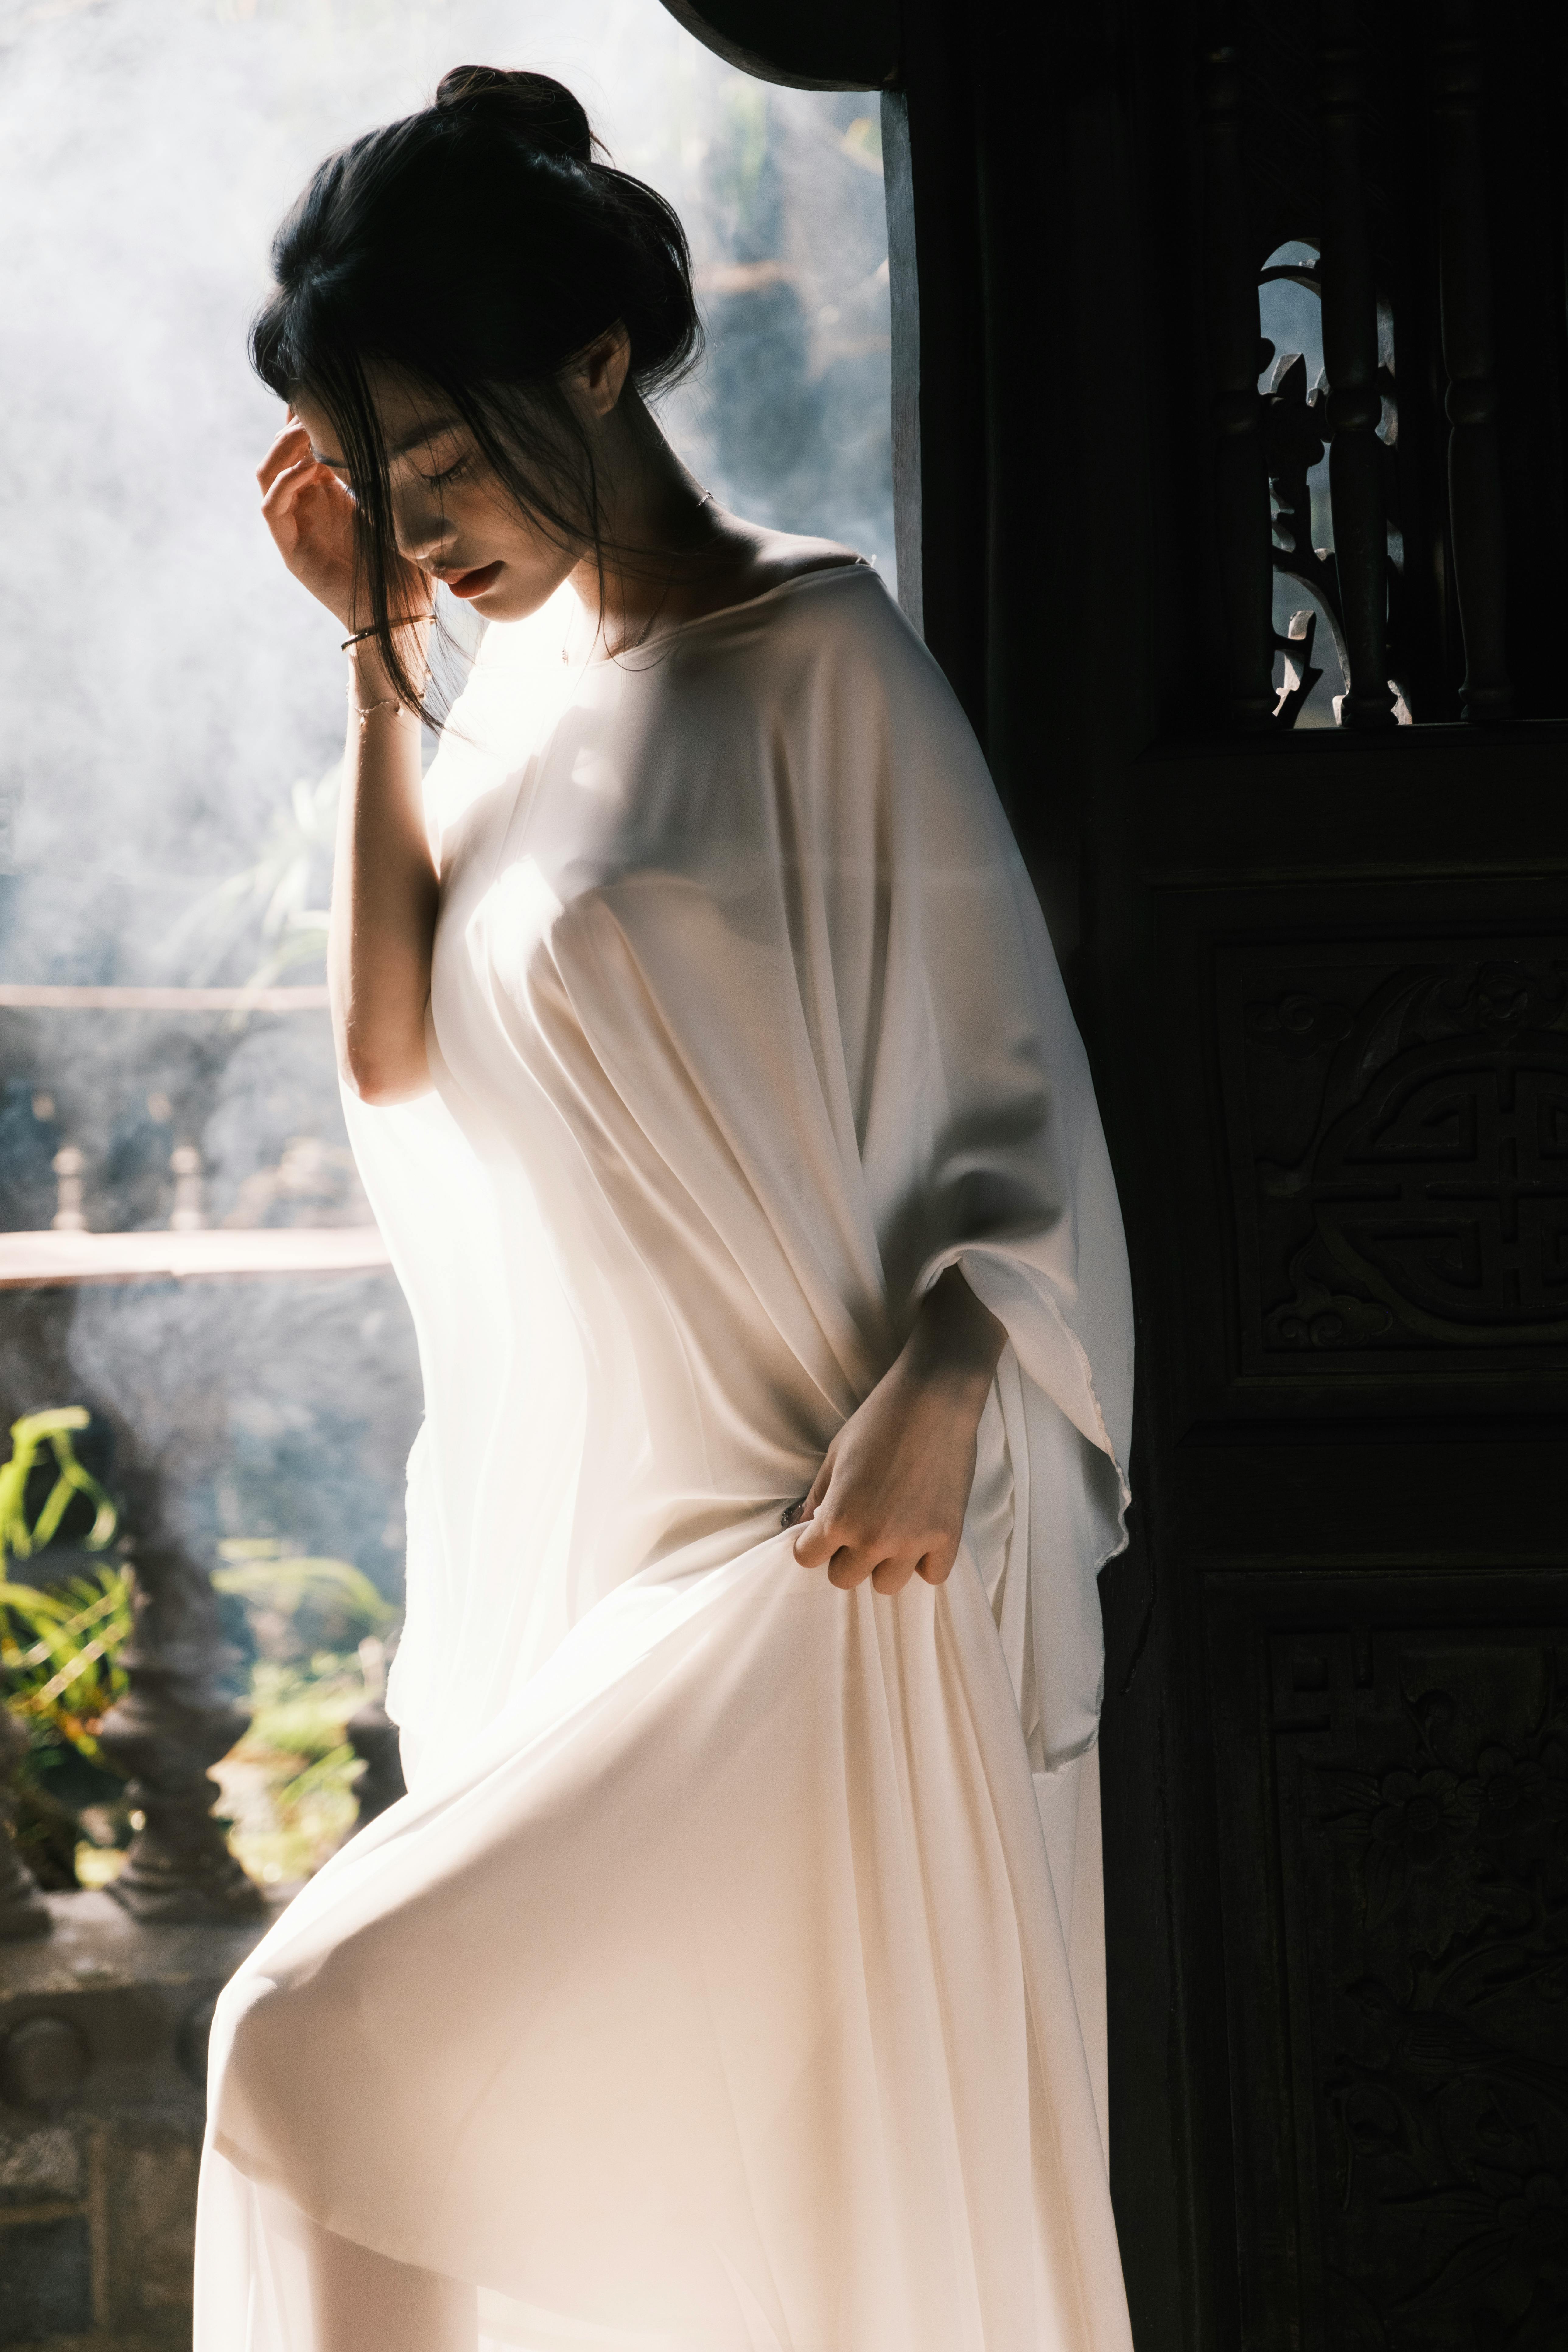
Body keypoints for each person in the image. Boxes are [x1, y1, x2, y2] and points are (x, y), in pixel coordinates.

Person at [194, 64, 1136, 2352]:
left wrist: (955, 1376)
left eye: (443, 456)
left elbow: (1019, 1106)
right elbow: (395, 1055)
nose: (419, 523)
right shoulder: (513, 688)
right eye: (379, 478)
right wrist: (378, 665)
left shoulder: (820, 652)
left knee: (312, 2053)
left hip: (813, 1565)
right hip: (608, 1570)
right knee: (463, 2140)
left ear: (599, 360)